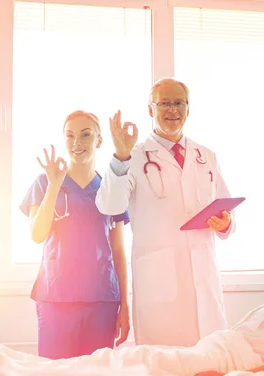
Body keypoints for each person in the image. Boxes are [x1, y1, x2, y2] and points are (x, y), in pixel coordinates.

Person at [95, 78, 236, 347]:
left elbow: (226, 211)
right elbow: (110, 206)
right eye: (165, 103)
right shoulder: (133, 156)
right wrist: (120, 156)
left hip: (203, 277)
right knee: (164, 365)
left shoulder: (205, 156)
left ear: (188, 109)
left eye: (179, 103)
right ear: (150, 109)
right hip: (159, 281)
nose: (173, 110)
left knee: (211, 363)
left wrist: (225, 223)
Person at [19, 110, 131, 359]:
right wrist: (54, 186)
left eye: (85, 135)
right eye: (69, 136)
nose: (76, 142)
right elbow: (37, 235)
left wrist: (125, 305)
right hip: (56, 297)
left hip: (102, 298)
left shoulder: (110, 189)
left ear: (99, 141)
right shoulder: (44, 183)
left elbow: (119, 252)